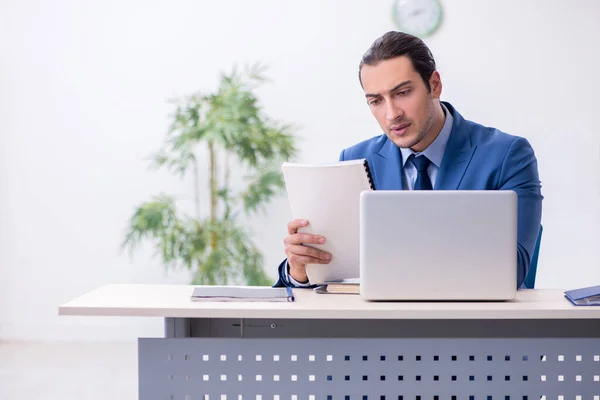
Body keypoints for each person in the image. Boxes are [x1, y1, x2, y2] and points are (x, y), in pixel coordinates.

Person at [275, 31, 543, 289]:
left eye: (402, 93)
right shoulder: (355, 160)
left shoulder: (507, 156)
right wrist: (301, 270)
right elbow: (336, 277)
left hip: (472, 326)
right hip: (384, 328)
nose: (392, 114)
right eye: (376, 101)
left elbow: (513, 269)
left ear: (434, 85)